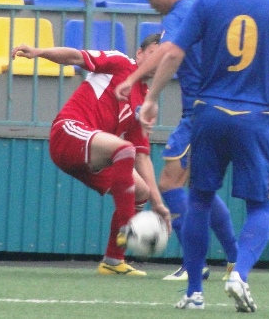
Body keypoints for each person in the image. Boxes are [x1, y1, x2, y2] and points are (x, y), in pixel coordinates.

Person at [139, 0, 269, 311]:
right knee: (261, 206)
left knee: (199, 199)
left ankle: (194, 293)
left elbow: (172, 55)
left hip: (209, 112)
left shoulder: (207, 3)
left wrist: (150, 100)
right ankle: (240, 272)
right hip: (256, 116)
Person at [115, 0, 238, 282]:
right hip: (221, 106)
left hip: (197, 111)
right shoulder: (202, 8)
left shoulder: (179, 15)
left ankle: (194, 264)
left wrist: (136, 81)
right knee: (202, 190)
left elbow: (169, 51)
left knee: (170, 183)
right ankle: (235, 259)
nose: (150, 5)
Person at [12, 34, 171, 276]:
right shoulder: (120, 63)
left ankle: (113, 261)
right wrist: (39, 52)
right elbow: (76, 56)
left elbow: (142, 155)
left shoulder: (145, 101)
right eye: (154, 53)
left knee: (142, 191)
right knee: (123, 149)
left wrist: (158, 204)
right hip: (68, 133)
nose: (158, 62)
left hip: (95, 155)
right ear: (140, 54)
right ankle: (128, 227)